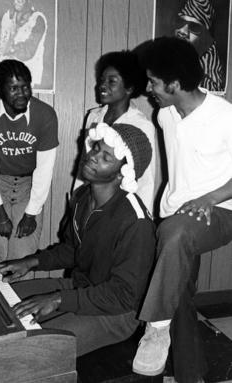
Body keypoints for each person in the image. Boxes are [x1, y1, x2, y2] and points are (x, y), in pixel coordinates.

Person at [0, 122, 156, 356]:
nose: (93, 157)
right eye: (96, 148)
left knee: (28, 350)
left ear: (123, 173)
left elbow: (124, 295)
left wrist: (58, 300)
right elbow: (72, 250)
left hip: (116, 313)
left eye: (106, 157)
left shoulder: (135, 222)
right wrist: (30, 263)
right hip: (80, 286)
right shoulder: (81, 196)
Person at [132, 36, 232, 383]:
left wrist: (210, 197)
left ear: (174, 84)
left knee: (175, 233)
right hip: (175, 215)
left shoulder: (225, 116)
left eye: (154, 82)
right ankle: (192, 376)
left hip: (219, 212)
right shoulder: (165, 116)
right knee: (179, 298)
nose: (149, 89)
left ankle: (155, 329)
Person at [0, 59, 58, 263]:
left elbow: (45, 170)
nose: (22, 94)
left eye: (26, 87)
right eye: (14, 88)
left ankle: (20, 294)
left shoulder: (45, 115)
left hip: (30, 185)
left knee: (23, 255)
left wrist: (31, 213)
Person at [75, 50, 156, 215]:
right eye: (102, 80)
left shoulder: (140, 124)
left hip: (119, 209)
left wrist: (141, 217)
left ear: (129, 88)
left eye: (112, 81)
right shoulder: (94, 116)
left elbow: (146, 180)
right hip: (89, 201)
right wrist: (75, 202)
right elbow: (85, 163)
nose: (102, 85)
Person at [0, 0, 47, 86]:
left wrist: (10, 48)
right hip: (6, 78)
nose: (18, 1)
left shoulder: (37, 19)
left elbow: (28, 51)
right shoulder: (7, 17)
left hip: (27, 80)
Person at [174, 0, 224, 92]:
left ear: (205, 34)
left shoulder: (208, 77)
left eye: (194, 27)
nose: (182, 31)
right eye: (180, 21)